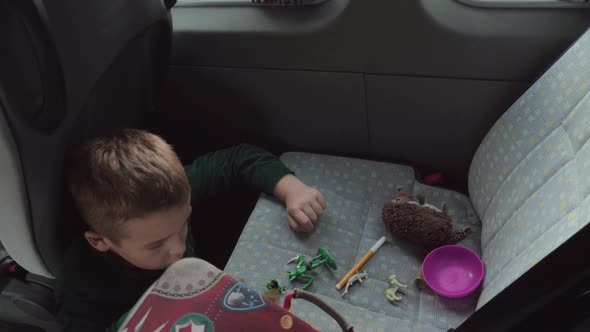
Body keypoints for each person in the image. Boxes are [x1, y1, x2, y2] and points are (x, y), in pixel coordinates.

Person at [55, 129, 326, 331]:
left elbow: (238, 157)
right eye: (155, 245)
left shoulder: (170, 196)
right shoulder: (80, 286)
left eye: (183, 224)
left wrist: (292, 188)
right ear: (100, 241)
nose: (179, 249)